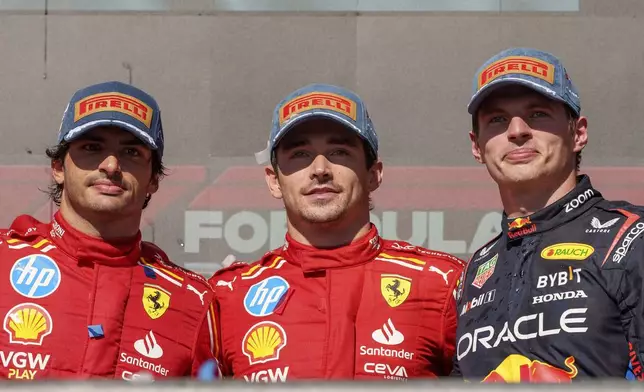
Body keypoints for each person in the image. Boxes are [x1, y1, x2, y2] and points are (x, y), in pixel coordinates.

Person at [209, 83, 464, 382]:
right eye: (300, 153)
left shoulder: (443, 283)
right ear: (274, 181)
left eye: (339, 152)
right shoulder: (226, 296)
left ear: (373, 174)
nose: (320, 168)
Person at [0, 81, 216, 380]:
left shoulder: (193, 300)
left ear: (154, 178)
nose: (111, 165)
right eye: (92, 147)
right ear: (58, 168)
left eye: (131, 151)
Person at [453, 47, 644, 382]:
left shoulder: (631, 238)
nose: (517, 131)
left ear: (578, 133)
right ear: (476, 146)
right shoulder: (473, 272)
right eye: (497, 120)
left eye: (538, 114)